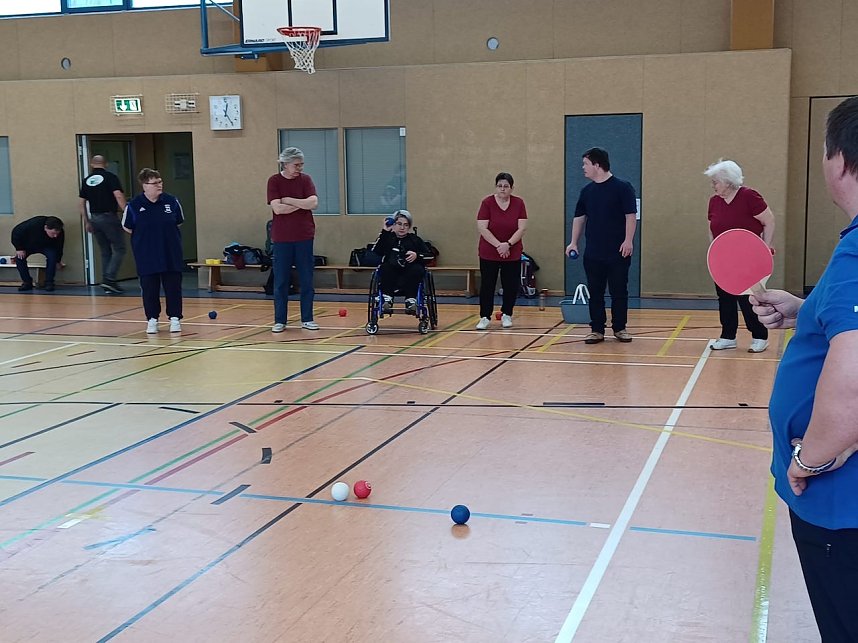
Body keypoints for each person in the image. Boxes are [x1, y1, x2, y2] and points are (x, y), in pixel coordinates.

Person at [750, 95, 858, 642]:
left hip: (842, 508)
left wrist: (808, 461)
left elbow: (853, 386)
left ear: (839, 160)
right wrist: (809, 312)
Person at [565, 147, 636, 344]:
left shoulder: (623, 187)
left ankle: (620, 328)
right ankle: (597, 329)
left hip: (618, 251)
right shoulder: (586, 191)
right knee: (595, 292)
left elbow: (630, 216)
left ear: (597, 165)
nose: (583, 168)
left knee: (619, 291)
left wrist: (628, 240)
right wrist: (573, 242)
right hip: (593, 252)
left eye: (586, 164)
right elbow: (579, 218)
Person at [704, 159, 775, 353]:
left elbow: (769, 221)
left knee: (748, 298)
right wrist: (715, 252)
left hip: (749, 259)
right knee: (725, 297)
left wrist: (766, 247)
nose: (713, 185)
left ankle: (760, 336)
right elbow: (713, 227)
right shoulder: (714, 201)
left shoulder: (749, 196)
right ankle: (728, 336)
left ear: (728, 181)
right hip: (725, 260)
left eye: (716, 181)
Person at [121, 169, 184, 334]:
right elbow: (127, 227)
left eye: (160, 181)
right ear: (144, 186)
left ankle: (175, 318)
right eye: (154, 183)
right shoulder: (134, 206)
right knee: (149, 288)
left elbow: (178, 222)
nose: (159, 185)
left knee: (173, 287)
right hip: (146, 254)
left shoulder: (172, 201)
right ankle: (152, 319)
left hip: (170, 252)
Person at [267, 147, 319, 332]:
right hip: (282, 239)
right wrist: (301, 203)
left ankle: (307, 318)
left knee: (306, 279)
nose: (300, 168)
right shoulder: (274, 181)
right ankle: (280, 320)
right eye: (296, 165)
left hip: (304, 236)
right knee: (281, 280)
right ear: (285, 164)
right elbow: (277, 209)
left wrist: (289, 200)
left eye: (301, 165)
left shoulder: (306, 180)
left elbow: (313, 203)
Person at [475, 172, 528, 329]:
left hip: (512, 251)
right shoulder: (487, 203)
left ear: (511, 188)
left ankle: (507, 314)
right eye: (500, 186)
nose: (502, 189)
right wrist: (499, 245)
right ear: (496, 187)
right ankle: (485, 316)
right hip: (489, 252)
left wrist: (508, 244)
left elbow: (522, 228)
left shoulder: (519, 203)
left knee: (510, 285)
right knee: (487, 285)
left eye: (506, 186)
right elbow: (482, 227)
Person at [78, 155, 127, 293]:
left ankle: (108, 283)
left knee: (105, 251)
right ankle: (109, 279)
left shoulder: (87, 181)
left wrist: (87, 221)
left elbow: (81, 203)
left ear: (91, 164)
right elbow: (118, 195)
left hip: (94, 218)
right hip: (109, 217)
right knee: (119, 248)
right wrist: (127, 213)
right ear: (105, 164)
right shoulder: (111, 177)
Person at [370, 210, 431, 312]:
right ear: (394, 224)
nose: (402, 228)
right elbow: (376, 252)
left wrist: (417, 255)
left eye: (406, 225)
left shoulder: (414, 239)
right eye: (399, 224)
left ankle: (411, 301)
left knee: (416, 269)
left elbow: (429, 256)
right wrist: (385, 231)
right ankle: (387, 299)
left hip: (410, 272)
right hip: (391, 272)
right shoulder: (387, 238)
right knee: (385, 267)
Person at [11, 215, 65, 292]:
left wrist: (58, 260)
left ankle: (49, 283)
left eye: (57, 233)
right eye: (53, 233)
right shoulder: (33, 224)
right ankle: (27, 282)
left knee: (53, 257)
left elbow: (59, 247)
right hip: (29, 245)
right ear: (46, 228)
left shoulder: (60, 232)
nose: (55, 236)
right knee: (19, 258)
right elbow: (16, 232)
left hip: (47, 246)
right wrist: (19, 248)